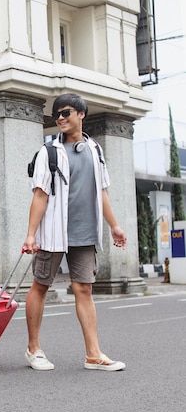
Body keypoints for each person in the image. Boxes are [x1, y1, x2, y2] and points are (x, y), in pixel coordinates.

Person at [22, 93, 127, 372]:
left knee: (84, 288)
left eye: (65, 112)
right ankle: (34, 349)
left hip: (85, 230)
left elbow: (101, 190)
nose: (60, 118)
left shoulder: (95, 149)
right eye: (56, 114)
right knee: (41, 285)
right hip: (53, 231)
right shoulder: (49, 152)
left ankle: (93, 354)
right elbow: (40, 194)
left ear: (81, 114)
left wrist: (114, 225)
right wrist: (31, 234)